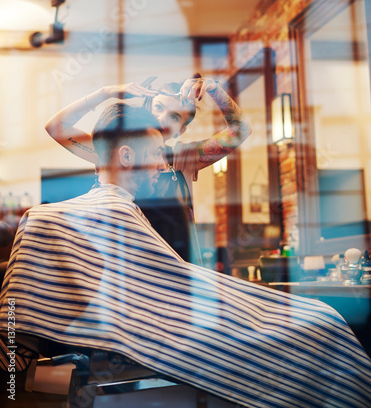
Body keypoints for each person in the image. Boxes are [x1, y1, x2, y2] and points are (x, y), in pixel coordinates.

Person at [0, 102, 370, 408]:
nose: (161, 166)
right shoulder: (105, 209)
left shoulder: (167, 169)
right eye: (155, 156)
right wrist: (107, 94)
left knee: (316, 317)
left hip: (182, 288)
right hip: (172, 315)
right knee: (321, 322)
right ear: (126, 156)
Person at [44, 75, 251, 264]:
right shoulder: (115, 152)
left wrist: (213, 88)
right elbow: (56, 127)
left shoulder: (184, 157)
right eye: (158, 108)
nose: (161, 119)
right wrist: (106, 93)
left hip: (177, 272)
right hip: (128, 270)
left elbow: (241, 130)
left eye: (174, 117)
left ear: (181, 130)